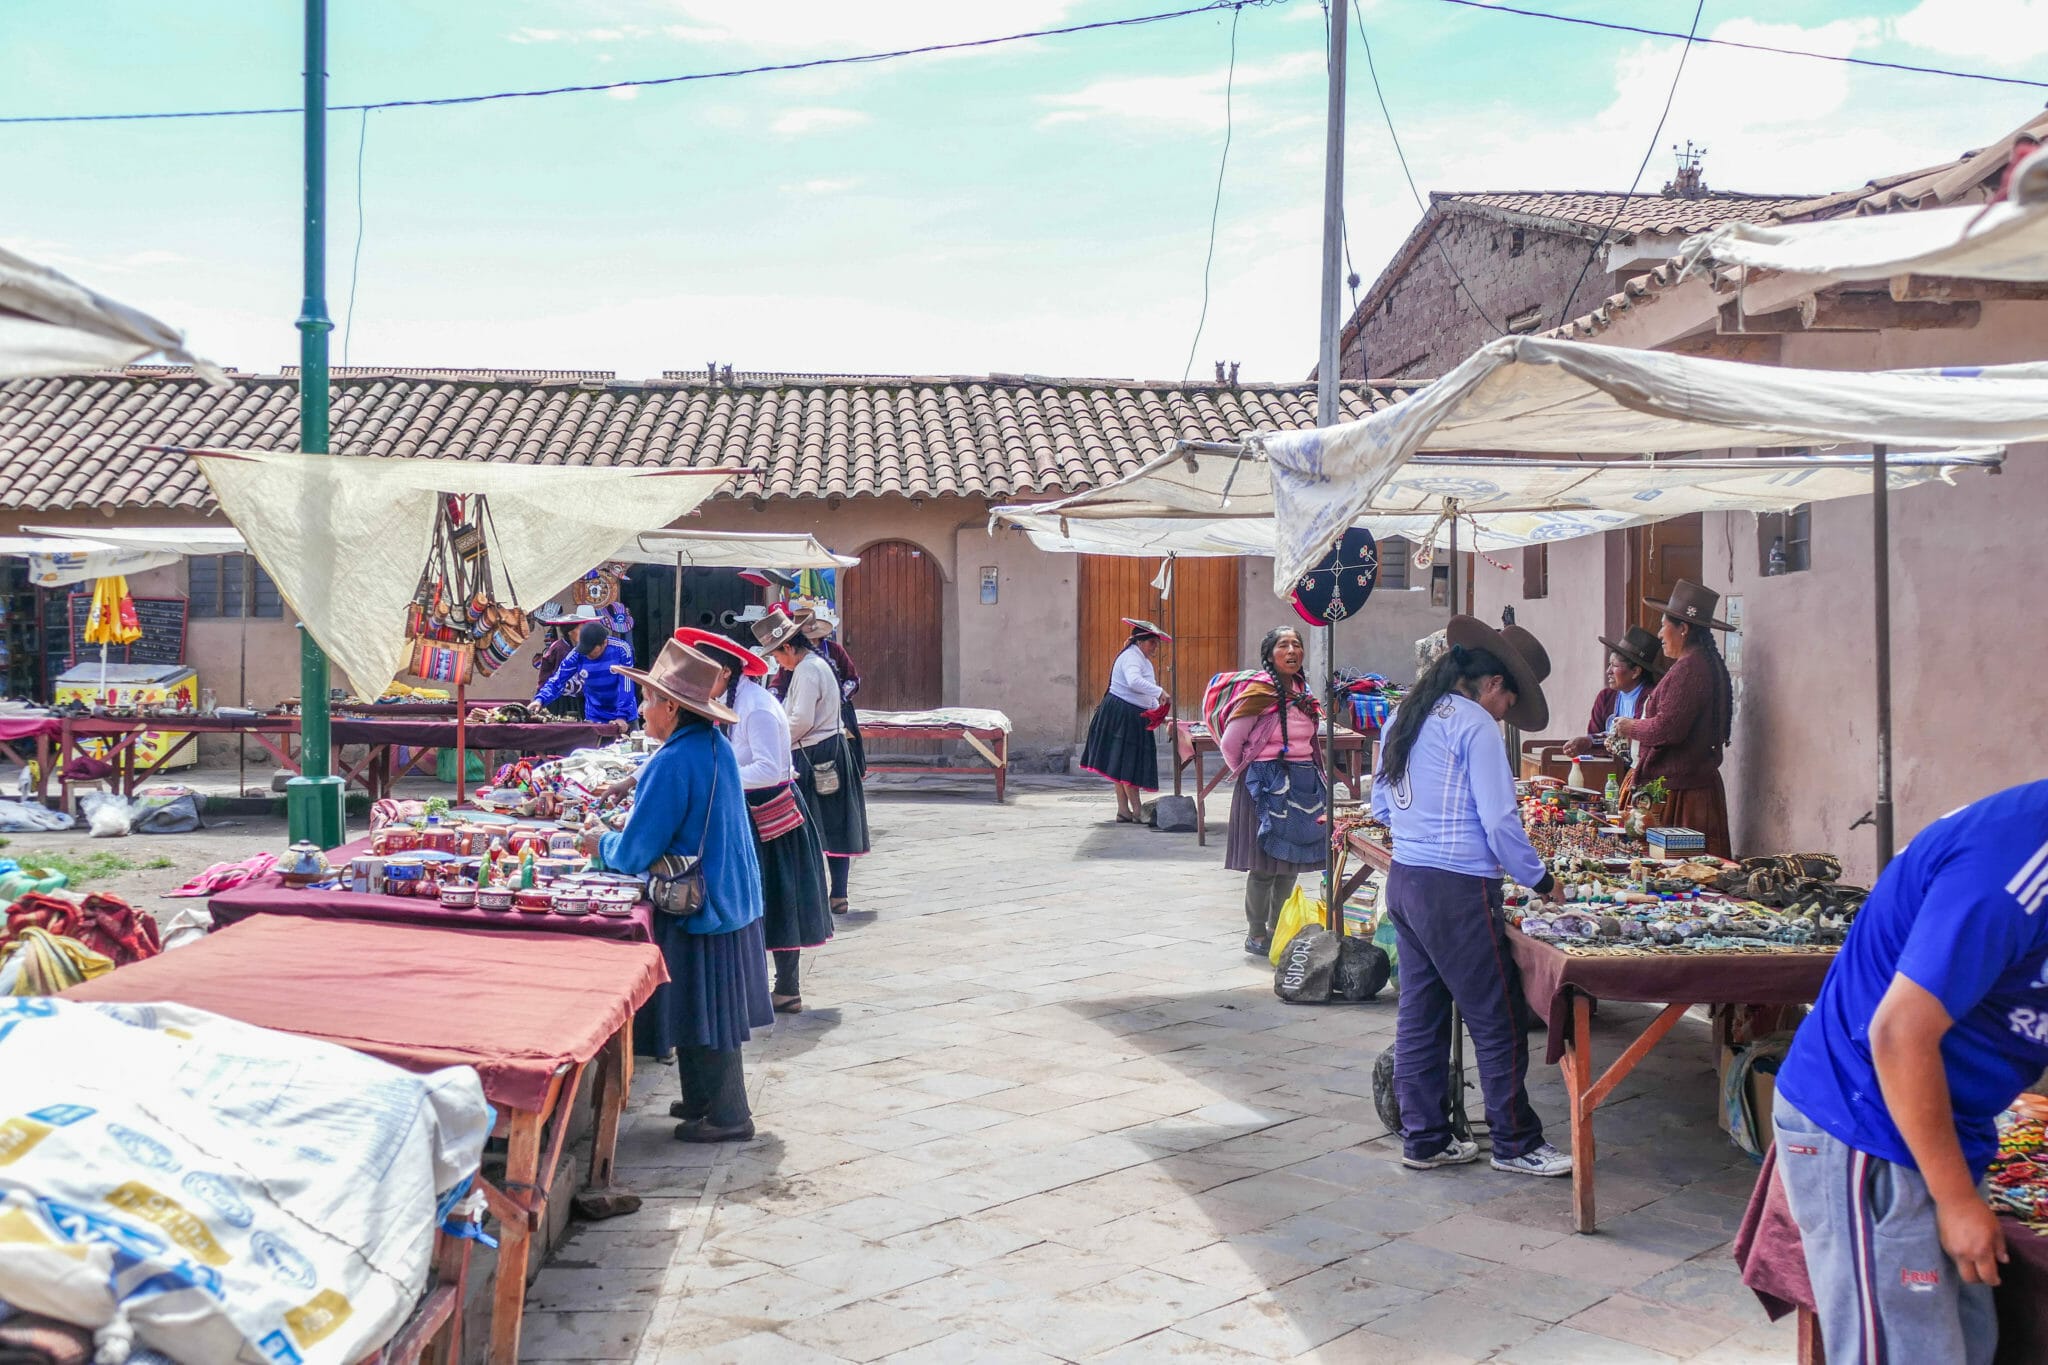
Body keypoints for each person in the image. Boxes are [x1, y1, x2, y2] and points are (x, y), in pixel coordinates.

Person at [1770, 781, 2048, 1364]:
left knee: (1966, 1346)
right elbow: (1897, 1035)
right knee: (1907, 1352)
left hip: (1951, 1117)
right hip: (1865, 1118)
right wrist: (1956, 1201)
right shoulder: (2017, 866)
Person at [1371, 615, 1573, 1178]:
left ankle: (1426, 1137)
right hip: (1456, 889)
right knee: (1497, 1018)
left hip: (1407, 880)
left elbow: (1383, 805)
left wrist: (1422, 832)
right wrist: (1541, 880)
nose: (1507, 711)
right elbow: (1501, 822)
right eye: (1510, 699)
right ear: (1492, 686)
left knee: (1421, 1015)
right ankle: (1514, 1142)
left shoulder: (1408, 714)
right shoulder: (1475, 725)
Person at [577, 638, 773, 1143]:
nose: (642, 708)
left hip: (703, 901)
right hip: (728, 892)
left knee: (712, 1007)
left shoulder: (674, 760)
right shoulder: (710, 746)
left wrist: (600, 841)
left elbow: (638, 848)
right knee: (699, 1002)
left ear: (671, 707)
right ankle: (700, 1098)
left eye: (647, 699)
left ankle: (730, 1114)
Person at [675, 626, 833, 1015]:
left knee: (780, 898)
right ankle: (754, 985)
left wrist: (716, 776)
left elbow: (771, 767)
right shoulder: (728, 703)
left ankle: (786, 988)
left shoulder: (756, 706)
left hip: (773, 812)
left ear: (724, 672)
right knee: (755, 898)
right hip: (746, 808)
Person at [756, 605, 869, 916]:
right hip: (827, 749)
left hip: (816, 753)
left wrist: (774, 742)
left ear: (789, 647)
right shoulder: (814, 665)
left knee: (816, 826)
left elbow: (801, 719)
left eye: (777, 655)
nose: (778, 662)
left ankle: (822, 896)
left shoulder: (807, 670)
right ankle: (837, 895)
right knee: (834, 824)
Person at [1612, 580, 1736, 858]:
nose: (1659, 634)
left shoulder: (1691, 670)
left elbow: (1669, 728)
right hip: (1692, 786)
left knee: (1683, 871)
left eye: (1663, 625)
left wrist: (1631, 727)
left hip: (1685, 796)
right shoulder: (1702, 664)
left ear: (1683, 628)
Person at [1221, 626, 1323, 956]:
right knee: (1264, 865)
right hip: (1265, 784)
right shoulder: (1259, 692)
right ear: (1269, 654)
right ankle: (1256, 934)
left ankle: (1279, 929)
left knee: (1290, 862)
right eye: (1284, 645)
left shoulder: (1301, 690)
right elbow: (1230, 743)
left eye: (1297, 644)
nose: (1292, 650)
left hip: (1302, 781)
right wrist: (1254, 770)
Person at [1080, 618, 1172, 824]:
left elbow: (1145, 696)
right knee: (1127, 764)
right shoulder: (1132, 658)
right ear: (1139, 642)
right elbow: (1133, 682)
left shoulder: (1142, 660)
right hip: (1122, 715)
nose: (1155, 647)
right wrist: (1161, 692)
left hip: (1129, 713)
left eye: (1156, 643)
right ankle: (1137, 811)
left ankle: (1123, 810)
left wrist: (1162, 716)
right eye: (1151, 643)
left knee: (1121, 764)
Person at [1559, 624, 1663, 766]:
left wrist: (1592, 741)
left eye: (1614, 666)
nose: (1608, 671)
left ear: (1635, 672)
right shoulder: (1606, 697)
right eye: (1609, 665)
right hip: (1608, 772)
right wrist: (1586, 742)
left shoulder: (1652, 698)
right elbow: (1593, 740)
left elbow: (1643, 739)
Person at [801, 603, 867, 780]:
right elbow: (779, 686)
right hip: (806, 711)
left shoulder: (835, 650)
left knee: (848, 748)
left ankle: (851, 779)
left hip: (839, 709)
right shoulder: (795, 655)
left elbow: (852, 679)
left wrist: (837, 698)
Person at [533, 620, 637, 728]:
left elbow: (626, 685)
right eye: (584, 650)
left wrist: (622, 716)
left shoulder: (622, 650)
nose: (586, 654)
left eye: (590, 650)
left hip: (624, 715)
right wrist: (540, 699)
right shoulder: (577, 654)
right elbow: (558, 680)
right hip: (595, 716)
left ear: (604, 643)